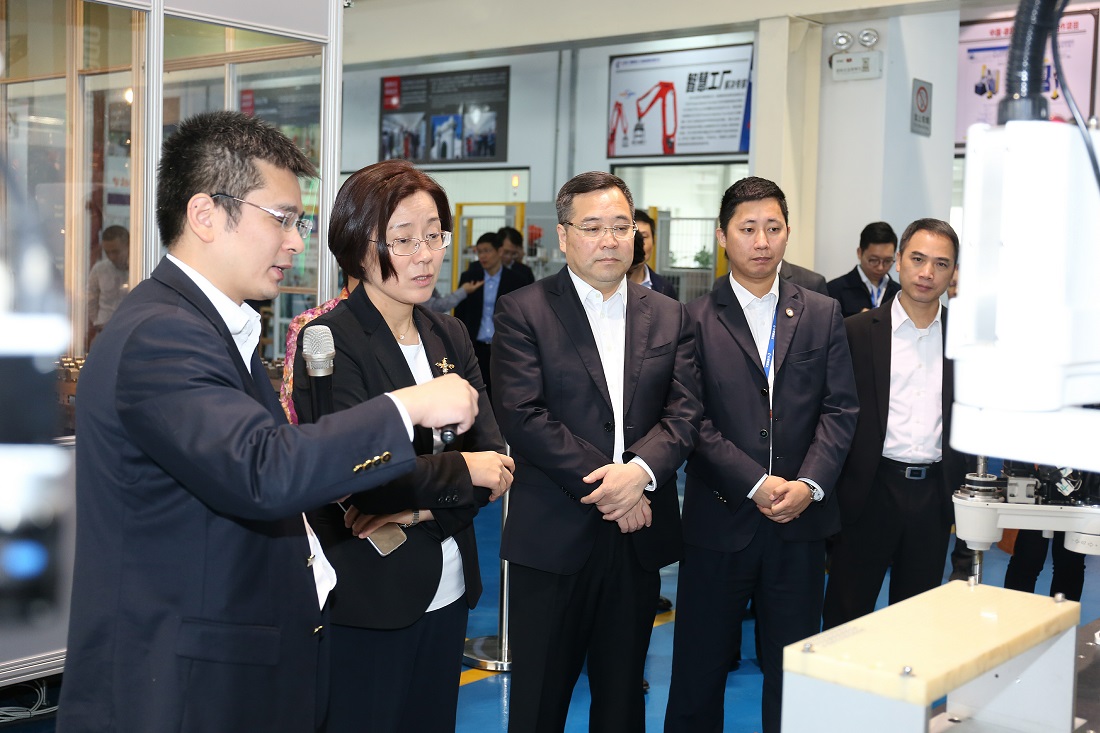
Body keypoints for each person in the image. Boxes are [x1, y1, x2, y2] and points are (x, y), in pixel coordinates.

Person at [58, 111, 479, 733]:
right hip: (180, 688)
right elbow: (264, 468)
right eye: (281, 219)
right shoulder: (162, 335)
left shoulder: (216, 328)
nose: (295, 243)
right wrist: (407, 407)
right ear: (205, 215)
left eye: (297, 222)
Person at [292, 160, 514, 732]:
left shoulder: (449, 333)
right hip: (370, 594)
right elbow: (357, 477)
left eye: (434, 236)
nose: (424, 255)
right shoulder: (331, 339)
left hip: (450, 586)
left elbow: (496, 463)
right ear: (358, 246)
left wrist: (415, 509)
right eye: (404, 239)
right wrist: (462, 469)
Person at [492, 171, 701, 732]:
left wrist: (640, 472)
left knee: (622, 700)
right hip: (554, 536)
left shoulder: (669, 313)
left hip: (638, 540)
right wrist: (614, 485)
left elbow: (685, 413)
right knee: (538, 703)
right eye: (592, 227)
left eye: (620, 226)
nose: (609, 239)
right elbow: (523, 413)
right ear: (563, 235)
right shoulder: (523, 310)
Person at [665, 176, 858, 733]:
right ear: (722, 236)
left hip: (800, 526)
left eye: (773, 228)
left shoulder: (820, 312)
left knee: (794, 672)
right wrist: (755, 482)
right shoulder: (691, 319)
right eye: (748, 228)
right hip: (719, 522)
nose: (761, 241)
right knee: (699, 671)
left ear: (788, 233)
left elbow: (840, 409)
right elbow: (690, 419)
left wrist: (809, 484)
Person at [822, 218, 966, 630]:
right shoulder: (855, 332)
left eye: (941, 263)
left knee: (915, 625)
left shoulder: (964, 341)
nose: (927, 272)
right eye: (917, 259)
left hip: (933, 499)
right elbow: (830, 416)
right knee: (846, 620)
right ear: (899, 261)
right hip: (867, 493)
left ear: (953, 273)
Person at [453, 230, 526, 399]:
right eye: (479, 252)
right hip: (474, 347)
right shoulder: (470, 277)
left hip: (503, 348)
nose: (483, 256)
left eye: (487, 251)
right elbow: (460, 313)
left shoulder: (516, 280)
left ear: (499, 251)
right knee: (474, 394)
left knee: (501, 394)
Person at [826, 221, 902, 317]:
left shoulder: (900, 293)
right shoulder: (834, 290)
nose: (880, 267)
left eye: (887, 261)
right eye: (874, 260)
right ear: (859, 253)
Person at [87, 224, 130, 345]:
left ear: (129, 246)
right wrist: (98, 322)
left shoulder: (140, 270)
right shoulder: (99, 269)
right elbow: (91, 299)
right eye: (107, 252)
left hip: (130, 333)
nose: (112, 257)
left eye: (116, 252)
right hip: (104, 330)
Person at [627, 208, 678, 300]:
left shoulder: (664, 288)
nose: (638, 243)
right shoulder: (603, 285)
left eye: (643, 236)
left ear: (654, 241)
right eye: (634, 236)